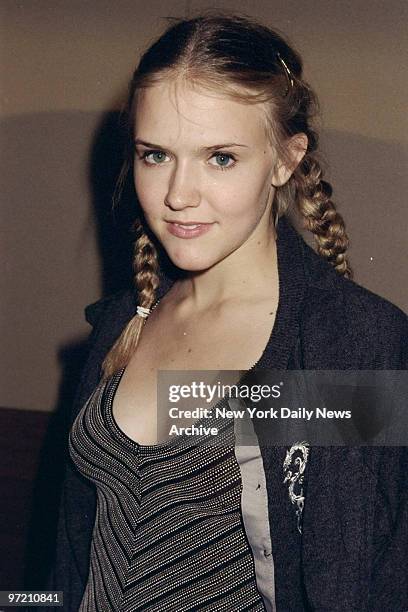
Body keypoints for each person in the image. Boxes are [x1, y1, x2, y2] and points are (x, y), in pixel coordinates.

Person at [45, 12, 408, 612]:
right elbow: (68, 565)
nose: (178, 194)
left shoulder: (351, 344)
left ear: (286, 160)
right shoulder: (120, 324)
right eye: (155, 154)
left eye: (220, 158)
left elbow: (369, 581)